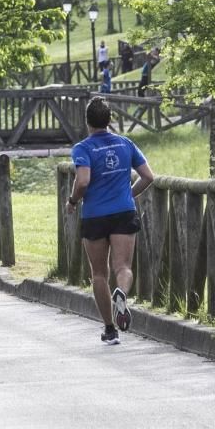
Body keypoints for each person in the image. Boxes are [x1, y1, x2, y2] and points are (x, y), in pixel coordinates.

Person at [66, 97, 154, 345]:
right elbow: (148, 176)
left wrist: (72, 201)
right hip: (123, 212)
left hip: (94, 215)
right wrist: (128, 193)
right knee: (123, 267)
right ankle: (121, 293)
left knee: (99, 274)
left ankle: (109, 328)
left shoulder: (83, 148)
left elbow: (82, 181)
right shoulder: (125, 144)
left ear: (87, 122)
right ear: (109, 120)